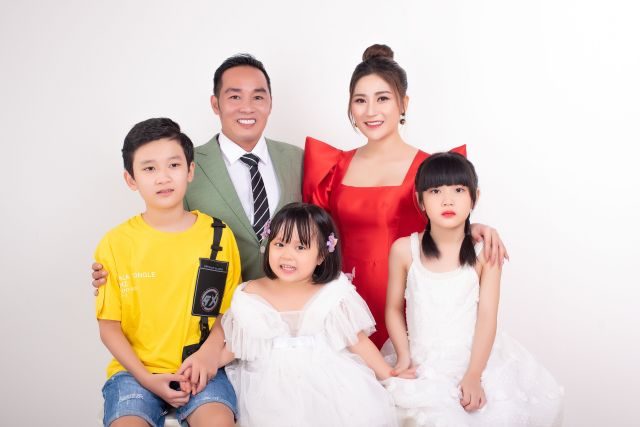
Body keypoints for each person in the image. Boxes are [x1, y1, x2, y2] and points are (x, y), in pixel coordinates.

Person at [303, 44, 506, 347]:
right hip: (343, 305)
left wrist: (473, 227)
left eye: (382, 98)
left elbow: (445, 221)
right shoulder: (332, 167)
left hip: (410, 306)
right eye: (360, 100)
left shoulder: (429, 170)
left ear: (403, 103)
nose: (371, 111)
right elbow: (314, 236)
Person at [383, 152, 564, 426]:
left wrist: (473, 375)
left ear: (474, 197)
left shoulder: (484, 253)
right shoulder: (404, 250)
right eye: (435, 191)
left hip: (472, 359)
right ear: (420, 200)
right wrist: (404, 355)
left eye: (458, 190)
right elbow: (393, 308)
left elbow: (487, 316)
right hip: (420, 359)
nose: (447, 200)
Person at [92, 53, 303, 287]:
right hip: (215, 305)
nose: (247, 107)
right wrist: (119, 273)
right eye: (234, 96)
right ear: (215, 104)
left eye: (258, 97)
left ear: (270, 103)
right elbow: (163, 235)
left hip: (293, 300)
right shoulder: (182, 165)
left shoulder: (298, 159)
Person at [95, 118, 241, 427]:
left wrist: (207, 355)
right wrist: (146, 378)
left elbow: (229, 313)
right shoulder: (115, 243)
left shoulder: (218, 235)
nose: (163, 177)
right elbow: (109, 327)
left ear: (190, 170)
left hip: (200, 367)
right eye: (149, 168)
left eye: (173, 165)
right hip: (134, 373)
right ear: (131, 179)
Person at [216, 203, 406, 427]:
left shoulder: (332, 291)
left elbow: (357, 341)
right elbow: (236, 345)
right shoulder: (251, 293)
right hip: (270, 388)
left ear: (321, 256)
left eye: (300, 247)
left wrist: (389, 375)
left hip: (331, 379)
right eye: (279, 244)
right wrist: (206, 366)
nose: (287, 255)